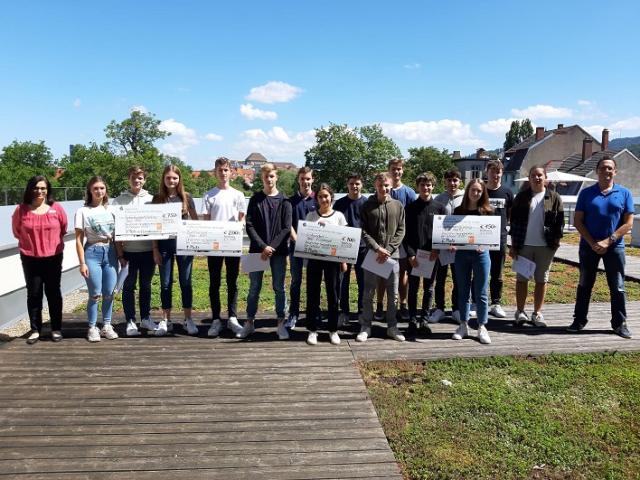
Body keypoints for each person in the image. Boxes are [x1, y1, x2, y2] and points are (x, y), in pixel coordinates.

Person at [569, 156, 634, 338]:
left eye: (610, 168)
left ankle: (619, 323)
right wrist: (592, 242)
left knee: (618, 286)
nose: (606, 171)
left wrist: (609, 240)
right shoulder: (586, 193)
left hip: (615, 247)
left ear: (615, 172)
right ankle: (579, 320)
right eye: (603, 168)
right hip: (588, 246)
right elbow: (578, 221)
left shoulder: (624, 193)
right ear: (597, 171)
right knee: (584, 284)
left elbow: (628, 223)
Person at [12, 176, 67, 344]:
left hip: (53, 257)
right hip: (30, 258)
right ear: (30, 189)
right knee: (34, 294)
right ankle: (35, 330)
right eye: (36, 188)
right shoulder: (21, 210)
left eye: (43, 188)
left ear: (48, 190)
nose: (39, 191)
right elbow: (16, 232)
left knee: (53, 293)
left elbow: (63, 228)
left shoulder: (56, 208)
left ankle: (56, 328)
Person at [242, 163, 293, 339]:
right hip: (256, 250)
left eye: (271, 176)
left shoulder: (285, 201)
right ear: (262, 178)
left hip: (279, 252)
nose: (269, 179)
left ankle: (281, 324)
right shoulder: (255, 199)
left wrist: (272, 247)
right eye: (266, 176)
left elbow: (286, 228)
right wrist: (263, 246)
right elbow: (249, 225)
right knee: (254, 287)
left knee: (279, 287)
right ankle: (249, 322)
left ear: (276, 177)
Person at [510, 165, 564, 328]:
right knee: (522, 280)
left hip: (545, 246)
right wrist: (513, 245)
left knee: (541, 280)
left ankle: (537, 313)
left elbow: (560, 222)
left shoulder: (554, 197)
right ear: (529, 178)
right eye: (533, 175)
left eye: (540, 175)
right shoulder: (521, 197)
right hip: (523, 245)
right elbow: (514, 222)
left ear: (545, 177)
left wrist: (556, 242)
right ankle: (520, 312)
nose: (537, 178)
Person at [201, 157, 247, 337]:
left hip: (232, 244)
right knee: (214, 282)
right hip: (214, 246)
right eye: (220, 170)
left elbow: (242, 218)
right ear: (215, 172)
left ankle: (232, 318)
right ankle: (215, 319)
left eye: (226, 170)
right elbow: (206, 222)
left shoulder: (238, 195)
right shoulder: (208, 195)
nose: (223, 173)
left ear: (231, 172)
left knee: (232, 282)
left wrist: (240, 225)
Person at [358, 172, 406, 342]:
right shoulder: (367, 205)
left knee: (393, 294)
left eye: (386, 185)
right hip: (373, 255)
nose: (383, 188)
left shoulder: (398, 205)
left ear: (391, 185)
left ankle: (392, 326)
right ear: (375, 185)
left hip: (392, 256)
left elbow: (401, 230)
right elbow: (363, 231)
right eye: (380, 185)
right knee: (368, 292)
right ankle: (366, 326)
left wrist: (389, 249)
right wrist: (377, 248)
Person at [152, 165, 198, 336]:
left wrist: (197, 242)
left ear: (179, 179)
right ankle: (166, 320)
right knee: (165, 283)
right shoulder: (157, 199)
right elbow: (153, 226)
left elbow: (196, 222)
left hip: (184, 246)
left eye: (174, 178)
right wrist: (155, 248)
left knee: (186, 282)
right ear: (163, 179)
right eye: (168, 178)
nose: (171, 181)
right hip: (164, 247)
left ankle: (188, 319)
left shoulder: (187, 197)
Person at [112, 166, 157, 336]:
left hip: (148, 251)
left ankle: (145, 318)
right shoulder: (119, 201)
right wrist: (120, 254)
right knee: (129, 286)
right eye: (133, 177)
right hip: (128, 252)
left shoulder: (152, 200)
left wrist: (155, 249)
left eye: (140, 178)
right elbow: (115, 230)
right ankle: (130, 320)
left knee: (146, 285)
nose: (137, 181)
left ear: (144, 180)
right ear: (128, 179)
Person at [74, 176, 119, 342]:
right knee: (95, 293)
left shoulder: (112, 210)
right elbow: (78, 240)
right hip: (92, 253)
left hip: (111, 252)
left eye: (102, 188)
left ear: (106, 190)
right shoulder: (83, 211)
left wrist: (121, 255)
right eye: (95, 188)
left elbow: (118, 236)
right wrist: (82, 263)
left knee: (109, 293)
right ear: (90, 191)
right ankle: (92, 327)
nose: (99, 191)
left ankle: (106, 325)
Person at [451, 179, 494, 344]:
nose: (476, 193)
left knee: (481, 291)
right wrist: (452, 244)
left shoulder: (488, 212)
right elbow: (452, 234)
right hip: (462, 255)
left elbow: (493, 236)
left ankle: (482, 326)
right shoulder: (458, 211)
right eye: (473, 190)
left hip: (481, 255)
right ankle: (463, 324)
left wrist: (485, 245)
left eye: (479, 191)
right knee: (463, 290)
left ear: (483, 193)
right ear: (467, 190)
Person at [304, 183, 348, 345]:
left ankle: (333, 330)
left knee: (333, 295)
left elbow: (344, 241)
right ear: (316, 199)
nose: (324, 199)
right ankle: (312, 330)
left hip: (333, 261)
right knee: (312, 294)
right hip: (314, 260)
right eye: (320, 196)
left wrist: (343, 261)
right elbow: (306, 239)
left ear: (331, 197)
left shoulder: (339, 216)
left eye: (326, 196)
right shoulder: (310, 216)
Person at [403, 172, 445, 337]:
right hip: (414, 256)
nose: (425, 188)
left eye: (428, 185)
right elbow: (405, 234)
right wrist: (410, 254)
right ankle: (413, 319)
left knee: (429, 288)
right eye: (422, 185)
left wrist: (437, 249)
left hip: (432, 256)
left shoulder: (440, 208)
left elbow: (443, 233)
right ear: (417, 187)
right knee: (413, 288)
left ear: (433, 186)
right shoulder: (410, 208)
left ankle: (424, 320)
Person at [430, 168, 464, 324]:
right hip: (442, 247)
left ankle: (456, 309)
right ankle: (440, 309)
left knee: (458, 279)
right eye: (449, 180)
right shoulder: (438, 199)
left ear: (460, 181)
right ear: (445, 181)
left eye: (455, 180)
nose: (452, 183)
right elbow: (434, 223)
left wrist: (458, 242)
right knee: (440, 279)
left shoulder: (465, 198)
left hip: (460, 247)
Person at [333, 173, 367, 326]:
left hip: (363, 248)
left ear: (362, 185)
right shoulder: (339, 204)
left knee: (362, 282)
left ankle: (361, 312)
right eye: (352, 183)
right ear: (347, 184)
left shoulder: (367, 203)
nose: (354, 186)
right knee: (343, 282)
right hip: (343, 248)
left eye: (357, 183)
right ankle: (344, 312)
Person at [386, 157, 417, 322]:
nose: (396, 171)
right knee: (383, 273)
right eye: (393, 168)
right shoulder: (384, 188)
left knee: (403, 272)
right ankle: (382, 306)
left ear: (402, 171)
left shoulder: (409, 192)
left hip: (403, 240)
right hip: (385, 240)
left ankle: (402, 304)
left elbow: (413, 218)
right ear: (389, 170)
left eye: (399, 169)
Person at [286, 166, 315, 329]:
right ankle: (293, 313)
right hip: (295, 248)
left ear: (312, 180)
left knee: (313, 282)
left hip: (314, 249)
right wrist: (297, 241)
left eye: (308, 178)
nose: (305, 182)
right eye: (302, 179)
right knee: (296, 282)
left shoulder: (318, 199)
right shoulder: (290, 201)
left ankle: (313, 313)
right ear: (298, 180)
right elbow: (288, 224)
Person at [485, 160, 513, 319]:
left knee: (497, 273)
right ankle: (476, 301)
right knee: (479, 271)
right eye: (492, 171)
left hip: (500, 239)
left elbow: (510, 215)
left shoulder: (507, 192)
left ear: (502, 173)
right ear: (487, 172)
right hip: (481, 239)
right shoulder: (481, 190)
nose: (495, 175)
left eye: (498, 172)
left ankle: (496, 302)